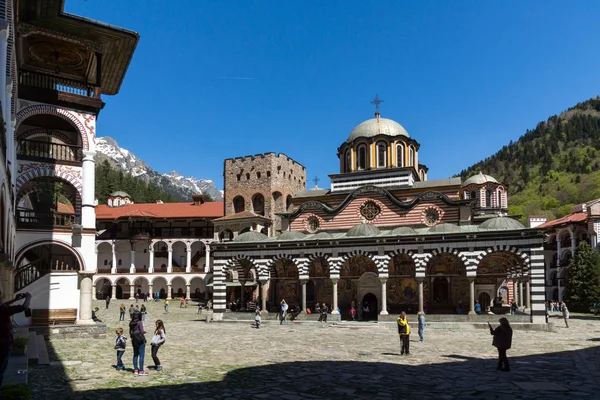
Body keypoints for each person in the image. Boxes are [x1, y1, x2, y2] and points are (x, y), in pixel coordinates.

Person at [0, 291, 32, 387]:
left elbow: (3, 306)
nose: (3, 297)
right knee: (1, 369)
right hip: (3, 343)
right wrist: (29, 297)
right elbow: (23, 307)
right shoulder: (2, 310)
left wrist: (15, 299)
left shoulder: (2, 309)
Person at [129, 311, 148, 375]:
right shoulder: (139, 322)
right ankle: (141, 370)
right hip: (140, 340)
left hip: (134, 340)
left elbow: (130, 332)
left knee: (135, 355)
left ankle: (135, 370)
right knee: (141, 355)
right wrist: (144, 332)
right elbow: (142, 331)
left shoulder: (131, 323)